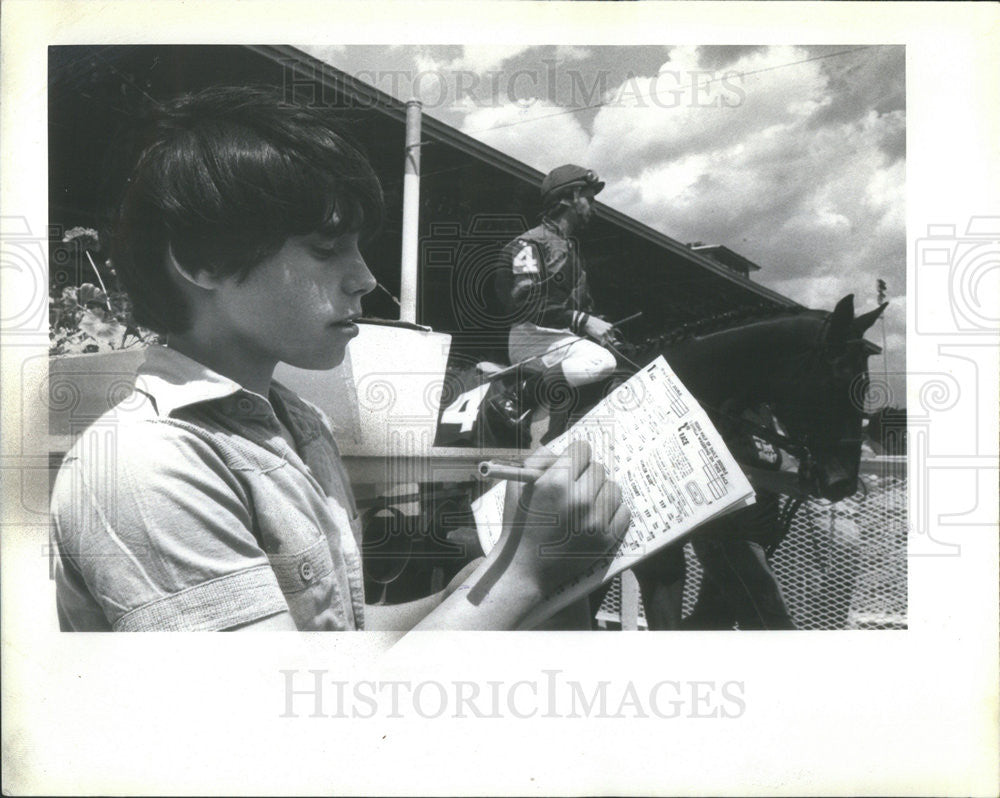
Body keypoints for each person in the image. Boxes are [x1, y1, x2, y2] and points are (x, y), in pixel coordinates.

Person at [50, 85, 630, 632]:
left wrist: (482, 579)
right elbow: (288, 720)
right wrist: (528, 576)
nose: (366, 278)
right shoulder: (149, 467)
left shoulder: (303, 426)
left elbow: (337, 635)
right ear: (204, 260)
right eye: (327, 250)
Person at [496, 164, 620, 444]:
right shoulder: (528, 245)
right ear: (572, 196)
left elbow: (581, 309)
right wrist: (584, 321)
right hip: (531, 337)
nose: (594, 206)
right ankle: (523, 392)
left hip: (560, 338)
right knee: (602, 361)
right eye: (589, 198)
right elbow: (525, 305)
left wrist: (594, 323)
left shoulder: (570, 248)